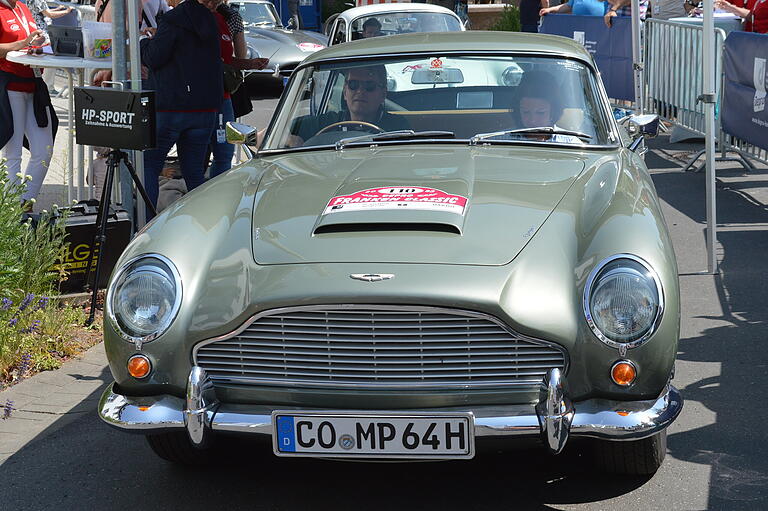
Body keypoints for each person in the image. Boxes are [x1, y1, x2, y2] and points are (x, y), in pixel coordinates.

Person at [140, 0, 223, 219]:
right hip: (205, 109)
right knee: (194, 171)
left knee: (150, 165)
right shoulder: (210, 21)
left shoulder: (172, 20)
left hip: (170, 107)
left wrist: (143, 41)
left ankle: (146, 227)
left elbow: (153, 58)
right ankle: (200, 223)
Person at [0, 0, 58, 207]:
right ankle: (13, 208)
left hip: (33, 86)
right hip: (9, 87)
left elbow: (29, 41)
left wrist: (38, 46)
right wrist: (22, 43)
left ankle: (26, 202)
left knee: (45, 150)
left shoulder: (22, 7)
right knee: (12, 153)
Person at [287, 65, 409, 147]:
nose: (360, 91)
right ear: (345, 92)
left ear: (383, 94)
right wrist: (288, 140)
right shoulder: (325, 122)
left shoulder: (397, 126)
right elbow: (277, 132)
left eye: (369, 86)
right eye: (353, 84)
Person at [24, 0, 72, 94]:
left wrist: (58, 9)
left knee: (42, 58)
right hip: (43, 35)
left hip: (37, 34)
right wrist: (67, 11)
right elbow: (49, 14)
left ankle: (43, 85)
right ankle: (48, 86)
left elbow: (43, 12)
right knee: (51, 57)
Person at [540, 0, 607, 17]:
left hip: (599, 28)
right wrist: (549, 10)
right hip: (578, 27)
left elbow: (615, 6)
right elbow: (568, 6)